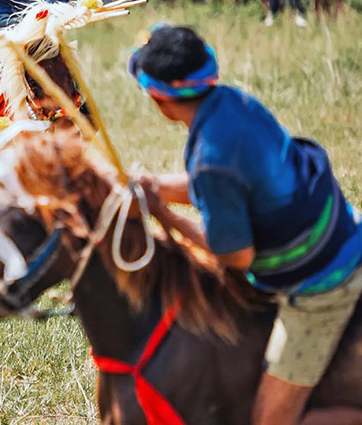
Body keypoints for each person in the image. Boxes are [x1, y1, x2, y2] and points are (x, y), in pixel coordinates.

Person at [131, 24, 362, 425]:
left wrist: (166, 216)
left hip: (324, 282)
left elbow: (235, 256)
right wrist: (158, 188)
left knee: (271, 421)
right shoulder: (232, 103)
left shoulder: (212, 158)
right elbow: (233, 185)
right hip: (341, 226)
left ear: (159, 99)